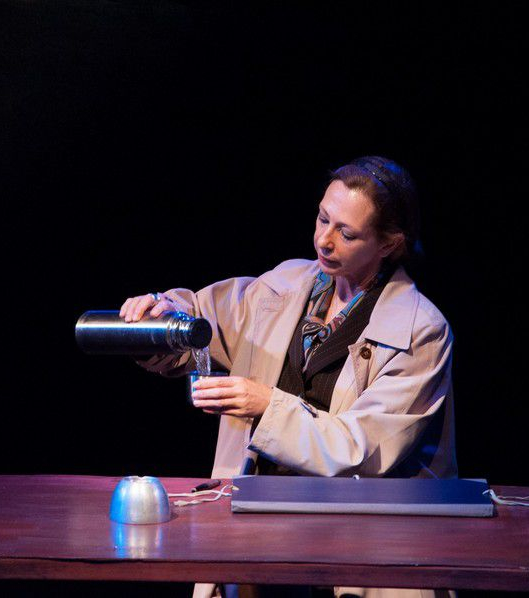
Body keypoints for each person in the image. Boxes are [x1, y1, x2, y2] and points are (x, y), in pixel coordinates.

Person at [119, 156, 456, 598]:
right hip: (259, 536)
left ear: (389, 244)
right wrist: (163, 317)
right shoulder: (284, 286)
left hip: (360, 544)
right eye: (323, 218)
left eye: (347, 233)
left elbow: (363, 447)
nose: (324, 240)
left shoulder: (420, 331)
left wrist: (266, 404)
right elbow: (203, 318)